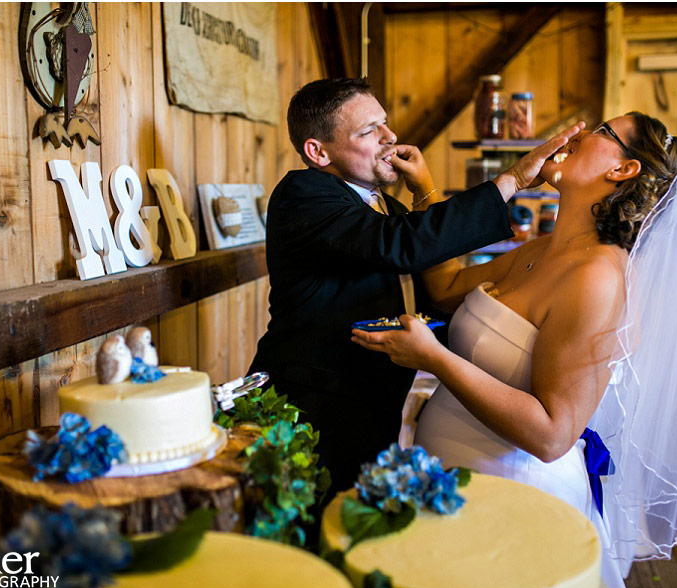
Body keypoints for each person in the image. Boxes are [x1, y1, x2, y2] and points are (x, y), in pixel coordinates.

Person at [352, 112, 677, 588]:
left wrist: (435, 359)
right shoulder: (544, 249)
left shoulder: (598, 278)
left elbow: (552, 434)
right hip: (449, 480)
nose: (579, 134)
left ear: (622, 171)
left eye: (601, 132)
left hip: (513, 498)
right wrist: (424, 187)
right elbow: (443, 288)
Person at [248, 77, 582, 495]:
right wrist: (512, 180)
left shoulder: (386, 206)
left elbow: (433, 280)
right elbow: (400, 245)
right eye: (369, 131)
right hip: (311, 408)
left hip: (375, 407)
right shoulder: (303, 194)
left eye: (385, 124)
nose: (390, 138)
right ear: (318, 151)